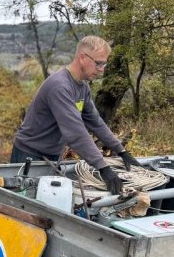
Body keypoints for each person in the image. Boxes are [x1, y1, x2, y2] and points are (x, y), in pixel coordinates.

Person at [11, 35, 140, 195]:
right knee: (25, 205)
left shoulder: (82, 87)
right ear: (82, 58)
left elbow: (96, 122)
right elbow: (76, 133)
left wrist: (121, 152)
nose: (102, 69)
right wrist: (103, 168)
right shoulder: (60, 86)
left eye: (104, 64)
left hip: (52, 155)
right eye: (98, 63)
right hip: (29, 155)